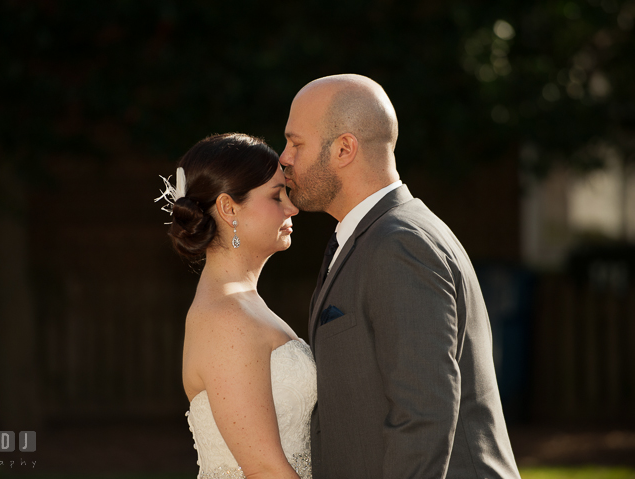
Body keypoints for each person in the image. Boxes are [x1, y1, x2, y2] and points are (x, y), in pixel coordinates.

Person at [279, 74, 521, 479]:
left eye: (295, 143)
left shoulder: (401, 245)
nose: (284, 157)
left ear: (344, 149)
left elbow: (424, 414)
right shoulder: (375, 235)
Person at [156, 133, 316, 479]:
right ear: (229, 208)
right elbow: (264, 470)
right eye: (277, 195)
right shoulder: (224, 317)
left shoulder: (243, 303)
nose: (292, 207)